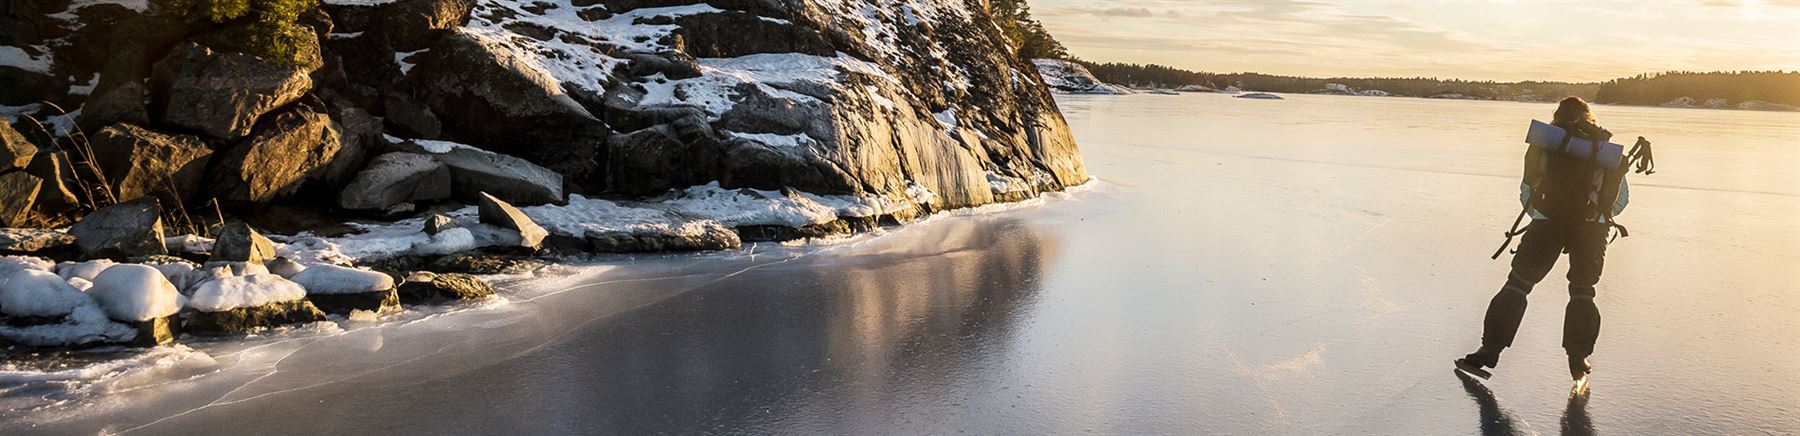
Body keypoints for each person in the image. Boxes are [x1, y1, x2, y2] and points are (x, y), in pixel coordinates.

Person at [1456, 96, 1631, 382]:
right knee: (1583, 291)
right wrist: (1594, 218)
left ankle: (1488, 353)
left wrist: (1548, 215)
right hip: (1590, 230)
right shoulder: (1604, 152)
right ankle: (1578, 360)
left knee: (1518, 285)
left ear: (1557, 118)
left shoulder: (1548, 146)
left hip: (1547, 224)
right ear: (1590, 117)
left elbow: (1528, 192)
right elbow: (1619, 200)